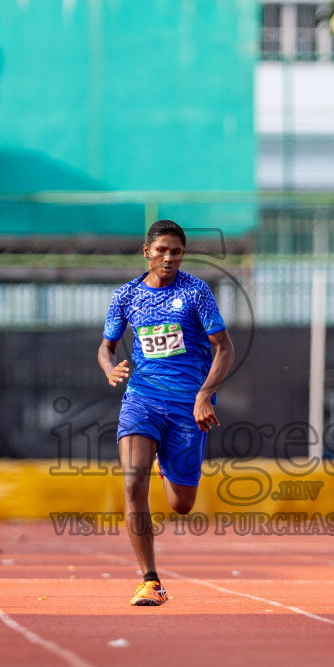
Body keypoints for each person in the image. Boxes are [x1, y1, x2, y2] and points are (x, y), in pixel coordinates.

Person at [99, 219, 234, 607]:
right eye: (161, 250)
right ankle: (150, 580)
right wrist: (111, 370)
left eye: (176, 251)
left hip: (188, 406)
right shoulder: (125, 296)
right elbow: (105, 347)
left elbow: (225, 348)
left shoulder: (196, 292)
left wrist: (205, 394)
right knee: (132, 483)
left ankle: (167, 464)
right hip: (141, 399)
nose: (169, 257)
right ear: (146, 252)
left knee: (181, 504)